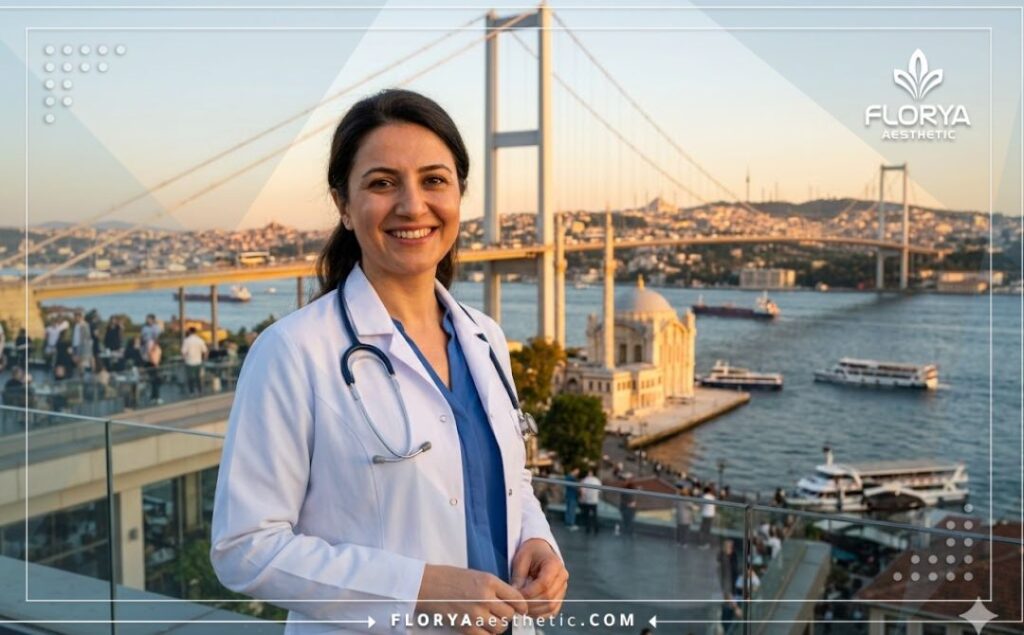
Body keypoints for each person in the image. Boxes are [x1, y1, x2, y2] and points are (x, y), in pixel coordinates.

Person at [210, 89, 567, 634]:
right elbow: (245, 548)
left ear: (459, 194)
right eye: (382, 183)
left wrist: (537, 541)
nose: (412, 205)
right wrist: (419, 589)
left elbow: (509, 479)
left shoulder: (485, 338)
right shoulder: (292, 351)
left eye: (434, 180)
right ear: (344, 206)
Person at [180, 327, 209, 395]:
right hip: (198, 362)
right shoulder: (199, 340)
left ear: (189, 332)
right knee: (198, 378)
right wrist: (204, 360)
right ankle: (200, 391)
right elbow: (205, 351)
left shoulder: (186, 341)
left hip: (189, 362)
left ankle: (191, 392)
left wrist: (184, 359)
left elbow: (183, 352)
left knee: (190, 378)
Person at [70, 311, 93, 378]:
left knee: (81, 363)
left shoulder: (85, 325)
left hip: (82, 347)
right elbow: (74, 337)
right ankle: (79, 377)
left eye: (76, 317)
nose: (75, 319)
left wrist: (84, 350)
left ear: (80, 317)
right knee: (77, 364)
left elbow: (86, 338)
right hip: (75, 346)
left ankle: (82, 378)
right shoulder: (76, 325)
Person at [579, 468, 602, 535]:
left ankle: (588, 529)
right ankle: (596, 529)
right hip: (594, 500)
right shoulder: (597, 480)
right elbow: (599, 490)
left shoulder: (585, 480)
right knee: (594, 515)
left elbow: (582, 490)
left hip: (587, 501)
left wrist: (583, 498)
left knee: (587, 515)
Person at [144, 338, 162, 404]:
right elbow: (150, 356)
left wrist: (157, 364)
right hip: (152, 365)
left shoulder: (158, 349)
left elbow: (158, 357)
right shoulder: (152, 348)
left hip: (155, 365)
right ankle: (156, 397)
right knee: (155, 382)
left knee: (155, 382)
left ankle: (154, 397)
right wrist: (155, 364)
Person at [564, 466, 580, 531]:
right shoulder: (571, 478)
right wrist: (579, 489)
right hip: (572, 496)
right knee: (571, 511)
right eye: (577, 471)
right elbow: (574, 487)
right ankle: (571, 524)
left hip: (569, 496)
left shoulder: (568, 477)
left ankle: (568, 524)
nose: (578, 473)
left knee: (568, 510)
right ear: (574, 470)